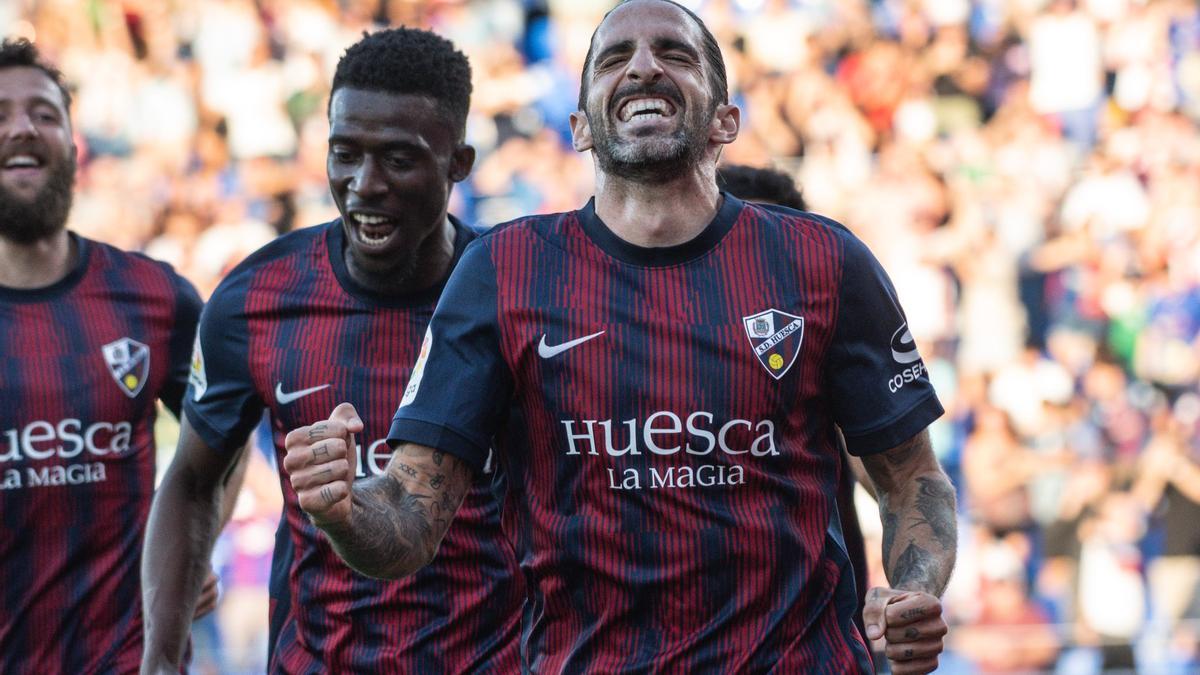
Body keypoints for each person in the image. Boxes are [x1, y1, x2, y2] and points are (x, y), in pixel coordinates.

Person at [287, 2, 957, 673]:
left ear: (727, 119)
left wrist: (916, 592)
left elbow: (911, 479)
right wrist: (345, 509)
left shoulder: (825, 262)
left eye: (674, 53)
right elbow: (408, 518)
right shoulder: (503, 271)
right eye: (614, 58)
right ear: (578, 127)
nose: (642, 66)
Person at [140, 28, 525, 674]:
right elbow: (191, 479)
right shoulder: (255, 298)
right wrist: (160, 655)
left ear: (459, 162)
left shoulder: (517, 293)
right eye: (345, 154)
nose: (363, 184)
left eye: (398, 159)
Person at [0, 37, 222, 672]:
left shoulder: (155, 297)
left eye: (44, 113)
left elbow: (224, 438)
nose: (22, 127)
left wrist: (193, 547)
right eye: (0, 114)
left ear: (74, 145)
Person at [716, 163, 872, 642]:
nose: (759, 267)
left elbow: (895, 475)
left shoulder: (816, 348)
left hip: (822, 636)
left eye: (776, 248)